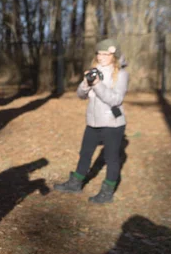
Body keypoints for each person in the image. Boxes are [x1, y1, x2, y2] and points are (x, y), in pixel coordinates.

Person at [54, 39, 129, 204]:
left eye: (105, 54)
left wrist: (97, 84)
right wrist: (87, 83)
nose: (101, 57)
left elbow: (115, 99)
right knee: (85, 154)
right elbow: (80, 95)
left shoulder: (121, 74)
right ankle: (75, 184)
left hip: (112, 123)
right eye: (99, 53)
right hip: (93, 122)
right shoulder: (95, 70)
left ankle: (107, 191)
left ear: (113, 56)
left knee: (111, 158)